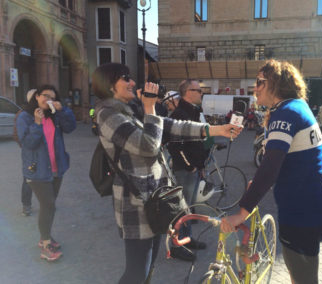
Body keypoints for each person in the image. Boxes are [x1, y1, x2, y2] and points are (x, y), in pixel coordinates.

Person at [92, 63, 241, 284]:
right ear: (109, 84)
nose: (133, 82)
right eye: (126, 78)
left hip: (154, 198)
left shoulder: (129, 109)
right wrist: (150, 108)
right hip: (135, 202)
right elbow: (148, 145)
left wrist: (215, 130)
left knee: (148, 265)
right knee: (137, 272)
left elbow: (170, 125)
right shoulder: (107, 114)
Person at [221, 59, 322, 284]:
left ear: (275, 83)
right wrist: (258, 183)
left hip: (303, 215)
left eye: (259, 82)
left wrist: (242, 213)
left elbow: (270, 168)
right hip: (316, 207)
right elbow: (290, 160)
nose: (255, 88)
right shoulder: (297, 106)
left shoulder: (286, 113)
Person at [16, 85, 76, 261]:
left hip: (57, 168)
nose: (47, 99)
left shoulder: (55, 116)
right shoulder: (25, 117)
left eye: (52, 97)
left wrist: (63, 110)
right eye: (44, 95)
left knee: (49, 205)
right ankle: (45, 243)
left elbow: (71, 127)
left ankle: (46, 237)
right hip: (37, 170)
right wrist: (37, 123)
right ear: (36, 97)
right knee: (48, 205)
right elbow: (27, 143)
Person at [167, 79, 209, 261]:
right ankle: (176, 246)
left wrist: (201, 166)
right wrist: (190, 166)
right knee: (181, 209)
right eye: (197, 90)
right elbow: (175, 146)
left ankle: (187, 239)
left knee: (189, 208)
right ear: (187, 92)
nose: (201, 93)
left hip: (193, 168)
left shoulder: (193, 111)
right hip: (185, 170)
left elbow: (197, 142)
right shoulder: (180, 113)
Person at [14, 89, 36, 216]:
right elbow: (18, 134)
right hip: (29, 152)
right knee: (28, 178)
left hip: (42, 152)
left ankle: (48, 202)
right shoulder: (23, 115)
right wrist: (24, 146)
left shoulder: (43, 112)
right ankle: (26, 205)